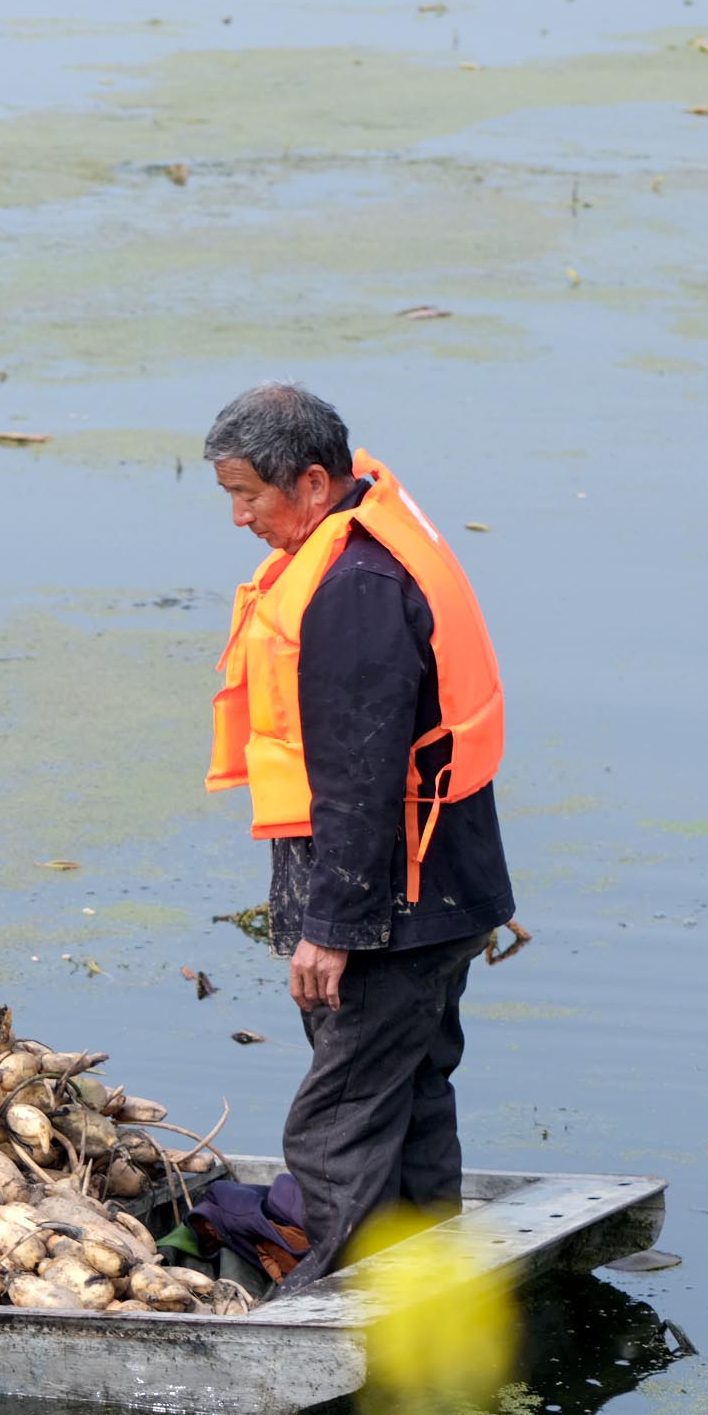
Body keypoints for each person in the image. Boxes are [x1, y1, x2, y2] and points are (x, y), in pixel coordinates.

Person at [201, 380, 513, 1287]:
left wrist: (330, 931)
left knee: (336, 1120)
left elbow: (360, 782)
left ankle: (333, 1313)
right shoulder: (364, 538)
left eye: (246, 495)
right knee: (410, 1094)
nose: (237, 518)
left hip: (390, 912)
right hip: (439, 897)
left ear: (308, 483)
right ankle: (420, 1284)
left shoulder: (353, 589)